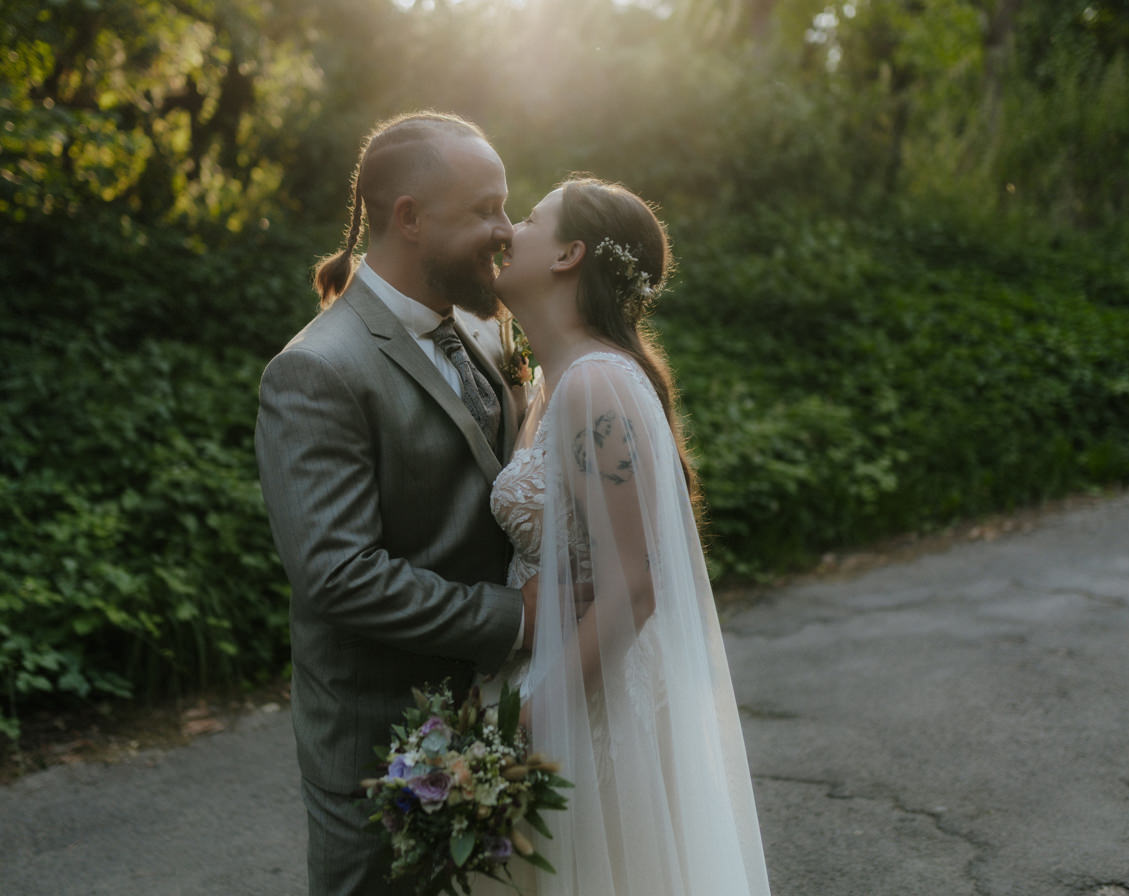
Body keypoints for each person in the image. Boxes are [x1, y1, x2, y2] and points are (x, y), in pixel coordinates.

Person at [255, 111, 538, 896]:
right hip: (380, 746)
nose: (505, 229)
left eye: (506, 206)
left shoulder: (486, 333)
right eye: (485, 209)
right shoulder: (317, 370)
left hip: (498, 717)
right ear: (409, 218)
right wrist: (518, 618)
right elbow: (338, 573)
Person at [478, 177, 771, 895]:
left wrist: (530, 720)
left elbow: (634, 587)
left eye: (532, 217)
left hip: (587, 705)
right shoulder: (551, 386)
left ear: (568, 254)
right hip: (549, 679)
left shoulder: (595, 386)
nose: (509, 229)